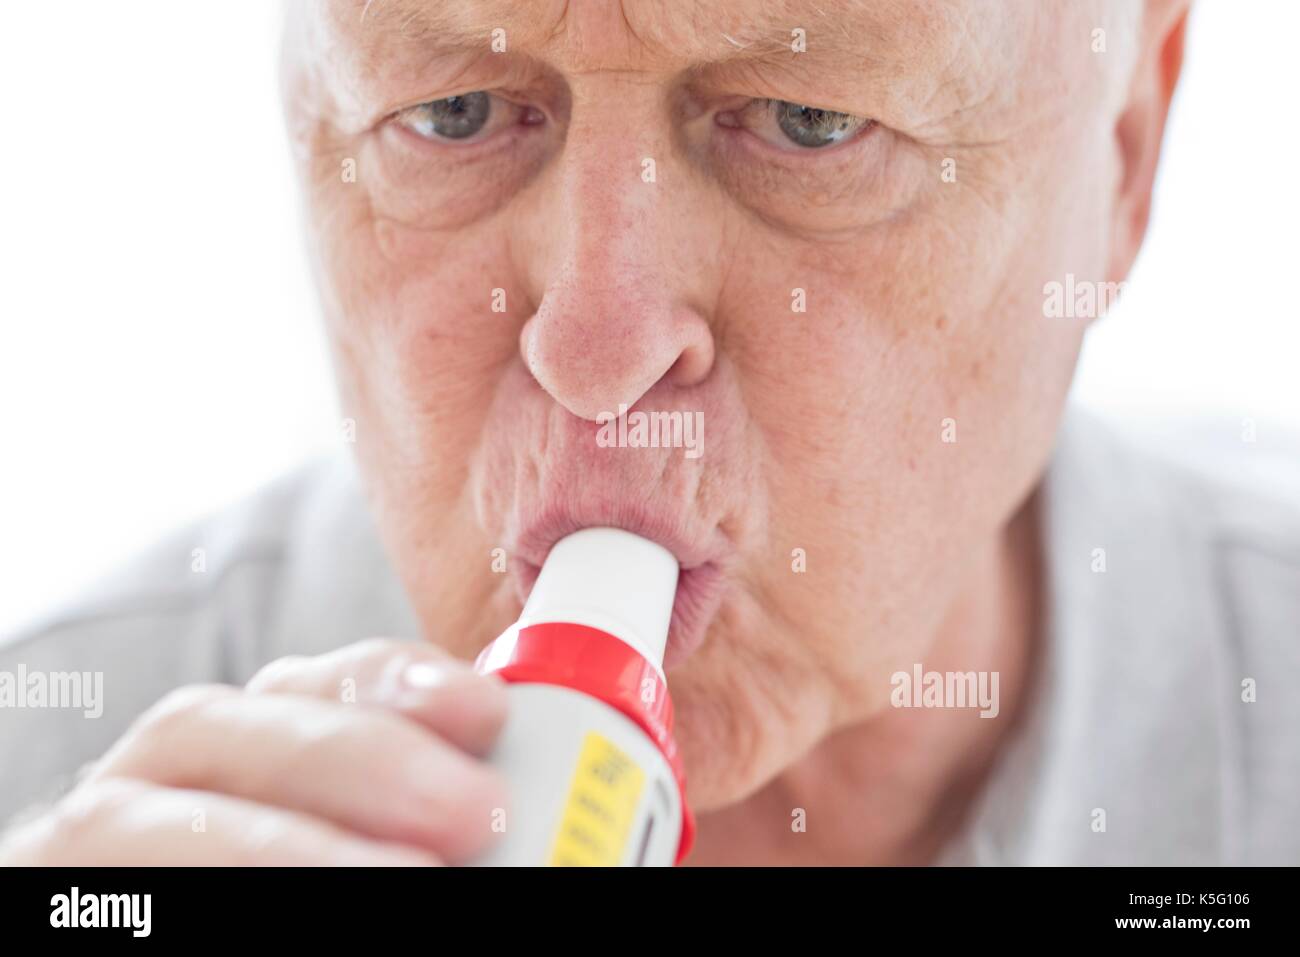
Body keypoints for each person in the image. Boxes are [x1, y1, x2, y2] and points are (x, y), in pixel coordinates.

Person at [3, 0, 1296, 866]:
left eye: (810, 124)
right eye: (453, 113)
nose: (596, 347)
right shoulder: (49, 778)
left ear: (1126, 150)